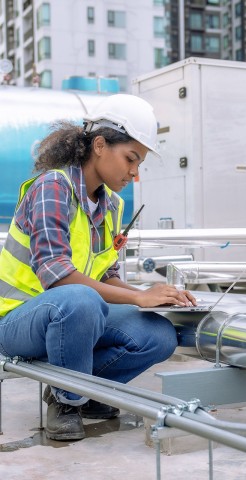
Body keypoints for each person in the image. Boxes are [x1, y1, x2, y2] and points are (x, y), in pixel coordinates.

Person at [0, 94, 197, 441]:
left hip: (72, 313)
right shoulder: (53, 187)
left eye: (140, 163)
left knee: (159, 334)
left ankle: (89, 392)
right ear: (101, 145)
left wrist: (153, 297)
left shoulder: (111, 205)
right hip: (18, 319)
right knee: (80, 299)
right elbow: (56, 274)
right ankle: (67, 401)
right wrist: (138, 299)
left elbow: (106, 273)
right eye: (130, 159)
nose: (134, 172)